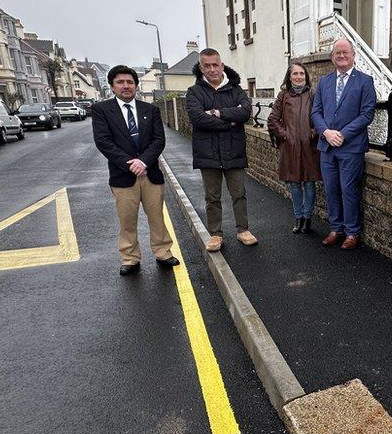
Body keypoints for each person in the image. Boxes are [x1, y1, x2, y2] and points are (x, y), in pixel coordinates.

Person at [92, 65, 179, 276]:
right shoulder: (102, 110)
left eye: (130, 82)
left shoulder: (151, 110)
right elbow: (104, 142)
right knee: (127, 219)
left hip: (150, 173)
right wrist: (131, 163)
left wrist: (144, 162)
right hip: (123, 176)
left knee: (157, 216)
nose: (126, 86)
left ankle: (163, 252)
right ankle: (130, 258)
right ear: (112, 87)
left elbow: (159, 140)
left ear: (136, 85)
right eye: (120, 82)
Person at [185, 48, 256, 252]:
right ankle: (215, 235)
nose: (212, 69)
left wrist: (216, 113)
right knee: (212, 197)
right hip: (208, 154)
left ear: (222, 65)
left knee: (239, 194)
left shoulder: (235, 90)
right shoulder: (194, 92)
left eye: (215, 64)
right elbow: (197, 118)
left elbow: (245, 113)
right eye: (207, 65)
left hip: (233, 151)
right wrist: (229, 121)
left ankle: (243, 230)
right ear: (201, 68)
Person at [310, 38, 376, 250]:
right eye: (337, 52)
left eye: (345, 52)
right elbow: (316, 112)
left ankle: (352, 232)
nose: (341, 55)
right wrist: (326, 132)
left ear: (353, 55)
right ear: (332, 57)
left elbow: (367, 114)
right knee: (331, 189)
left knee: (348, 189)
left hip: (351, 147)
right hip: (327, 146)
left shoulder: (365, 81)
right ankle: (335, 229)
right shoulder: (324, 81)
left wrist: (343, 134)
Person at [268, 63, 322, 234]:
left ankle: (307, 218)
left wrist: (312, 133)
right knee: (294, 183)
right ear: (289, 77)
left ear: (306, 76)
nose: (299, 77)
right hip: (290, 147)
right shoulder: (283, 96)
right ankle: (298, 218)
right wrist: (285, 135)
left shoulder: (313, 94)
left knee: (309, 182)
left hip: (309, 146)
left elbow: (321, 116)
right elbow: (272, 120)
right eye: (295, 74)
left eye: (302, 74)